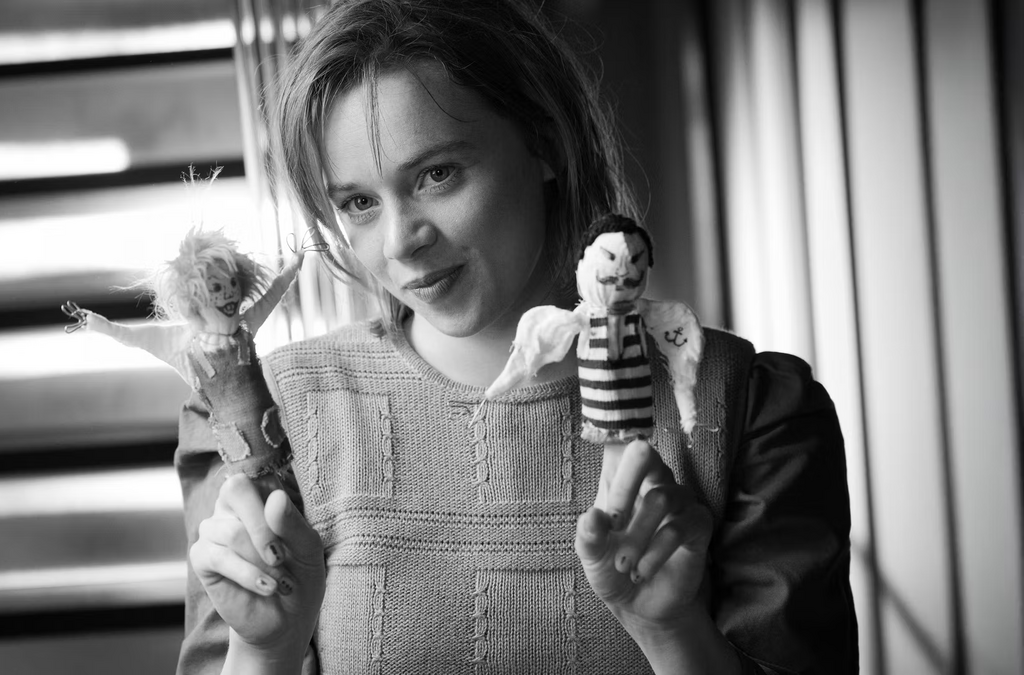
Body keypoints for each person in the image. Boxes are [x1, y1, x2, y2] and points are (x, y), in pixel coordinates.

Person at [178, 0, 858, 673]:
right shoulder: (266, 421)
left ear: (546, 143)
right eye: (359, 203)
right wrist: (262, 651)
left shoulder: (751, 411)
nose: (401, 241)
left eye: (437, 174)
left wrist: (674, 632)